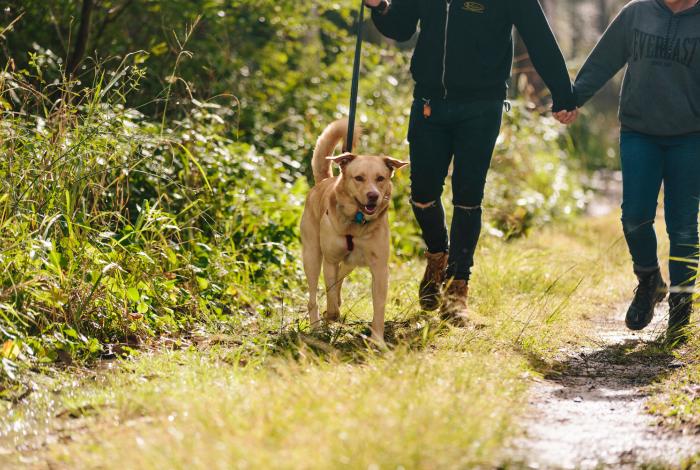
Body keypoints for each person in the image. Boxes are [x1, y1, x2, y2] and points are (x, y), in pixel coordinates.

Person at [364, 0, 577, 322]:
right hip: (429, 103)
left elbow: (539, 39)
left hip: (482, 106)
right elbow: (401, 27)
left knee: (467, 195)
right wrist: (380, 6)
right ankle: (438, 255)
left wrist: (563, 94)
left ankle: (457, 289)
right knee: (421, 193)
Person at [567, 0, 700, 343]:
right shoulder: (636, 12)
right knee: (634, 217)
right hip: (639, 132)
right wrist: (574, 98)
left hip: (691, 138)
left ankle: (681, 312)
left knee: (684, 227)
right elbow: (604, 59)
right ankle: (649, 280)